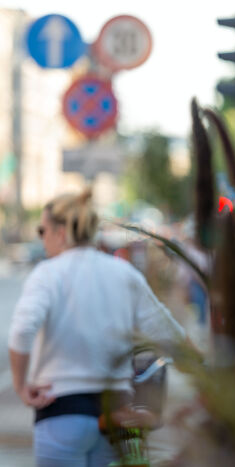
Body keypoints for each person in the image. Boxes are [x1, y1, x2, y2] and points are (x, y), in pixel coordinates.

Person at [8, 189, 187, 467]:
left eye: (42, 230)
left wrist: (21, 386)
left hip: (60, 411)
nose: (41, 239)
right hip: (115, 415)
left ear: (61, 232)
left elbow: (22, 331)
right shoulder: (124, 273)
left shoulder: (47, 274)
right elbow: (169, 333)